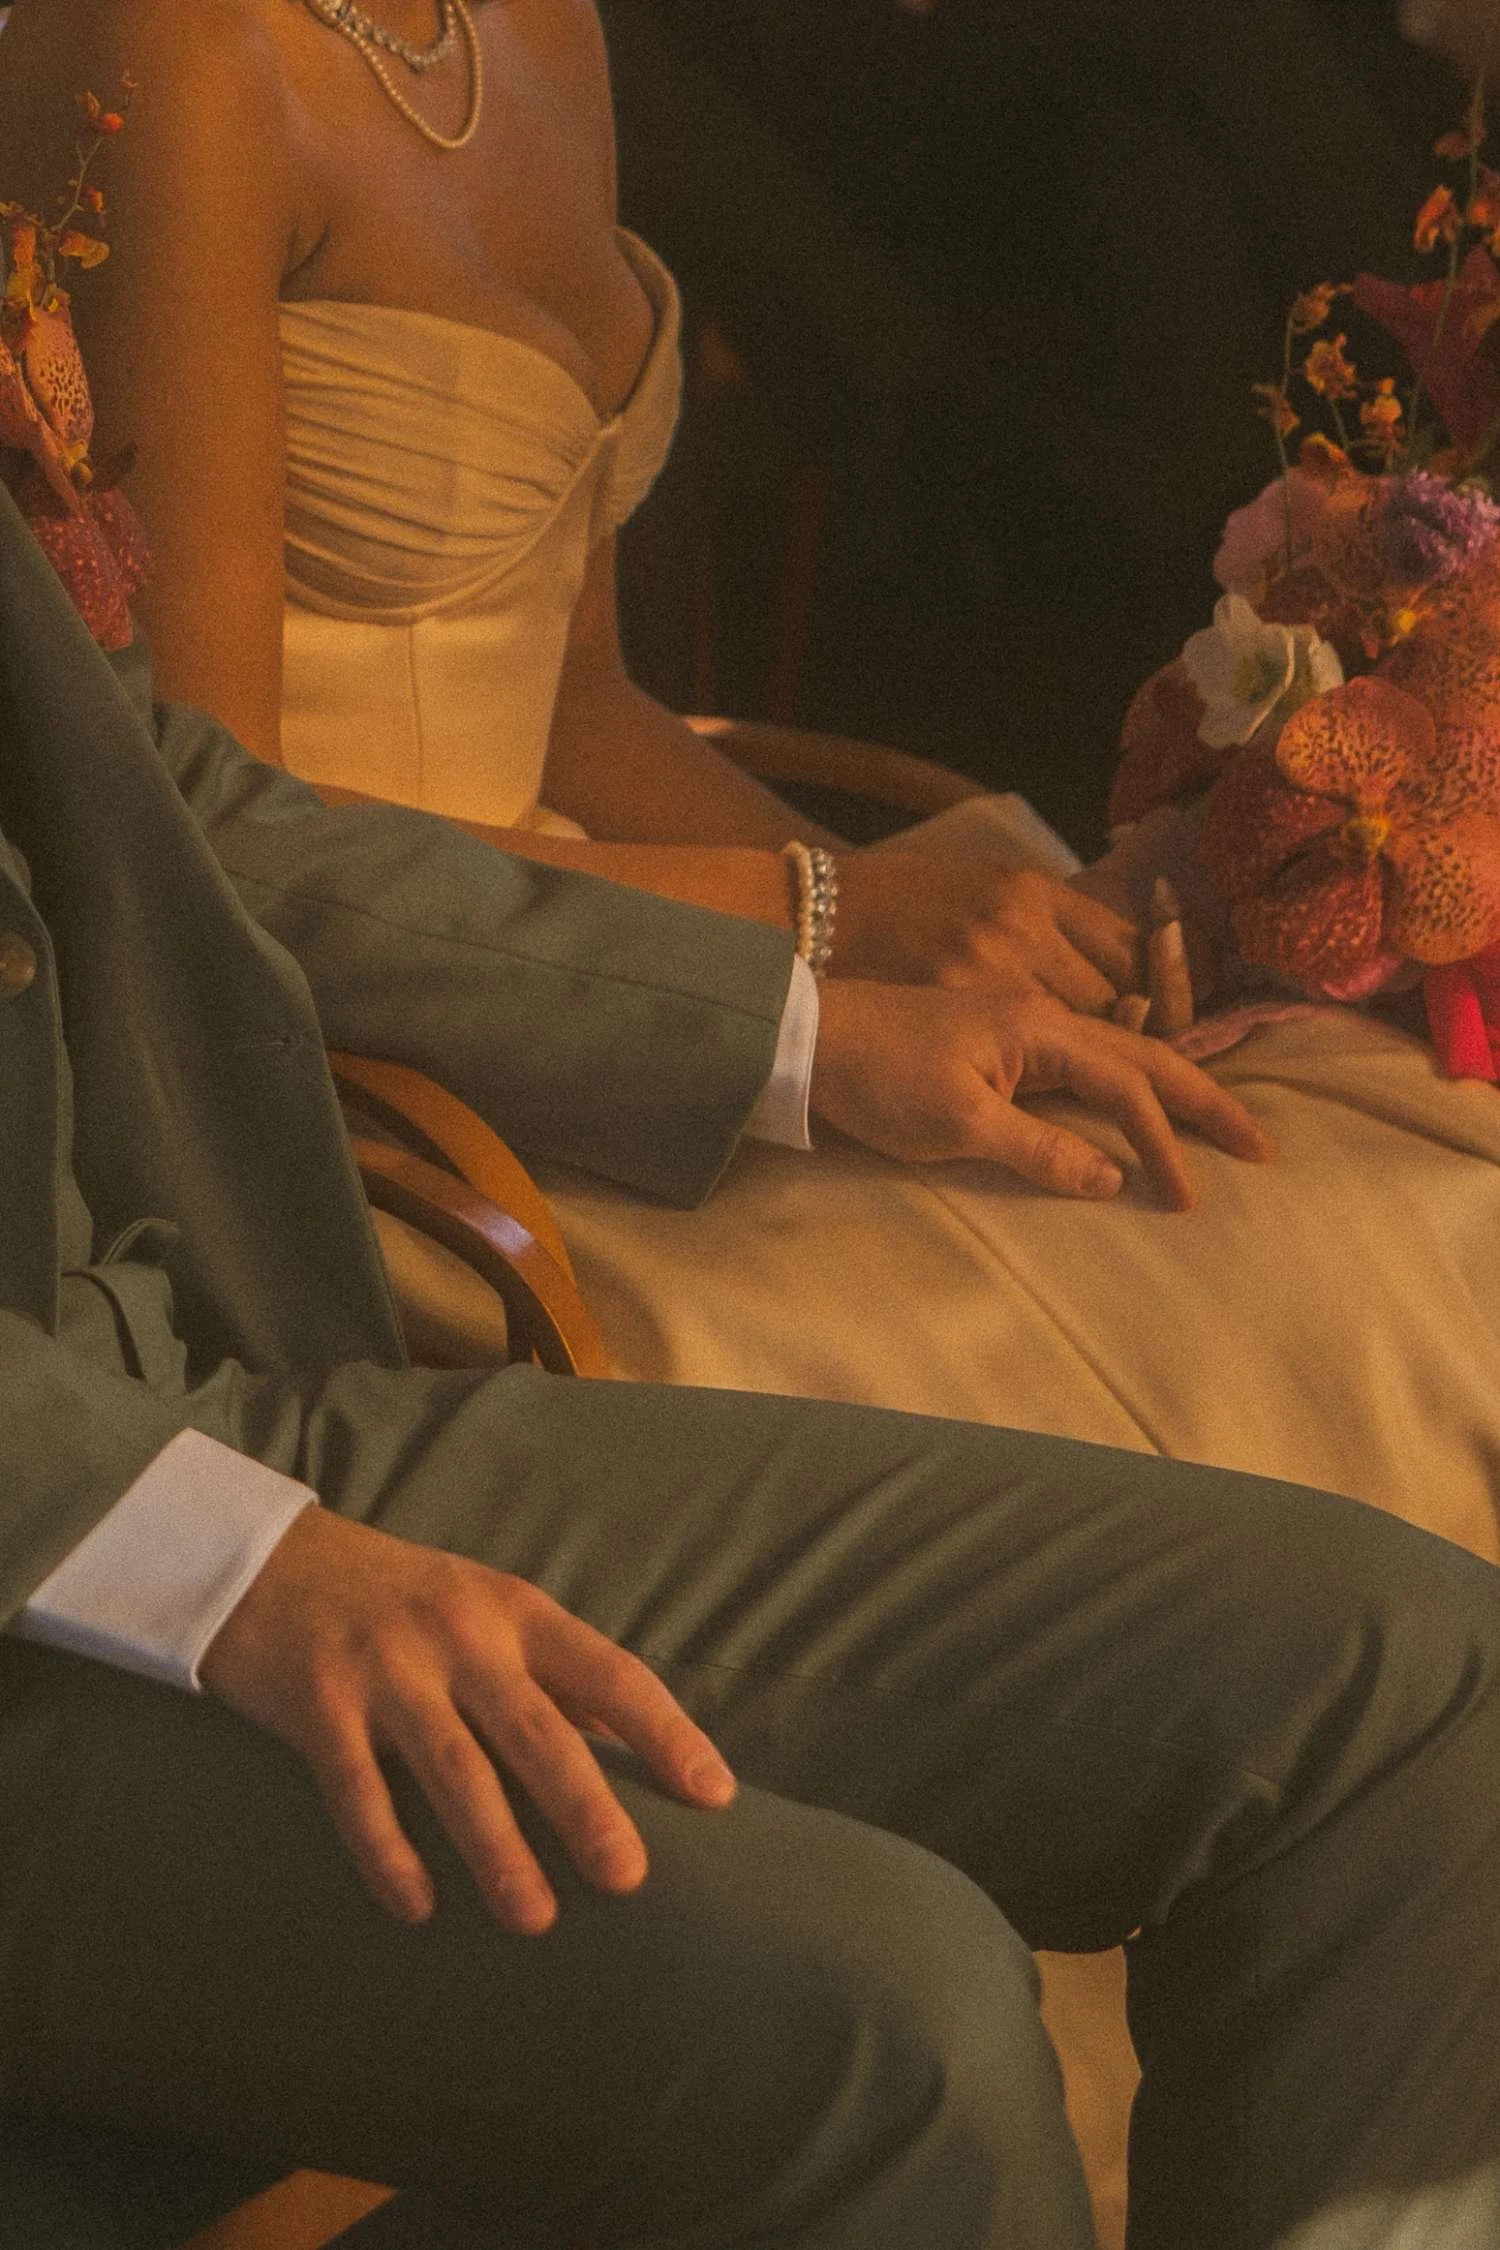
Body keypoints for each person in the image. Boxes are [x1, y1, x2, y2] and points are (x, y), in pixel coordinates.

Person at [1, 470, 1500, 2250]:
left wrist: (797, 1024)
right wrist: (201, 1550)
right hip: (78, 1507)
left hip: (171, 1385)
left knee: (1404, 1690)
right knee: (901, 2034)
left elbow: (160, 801)